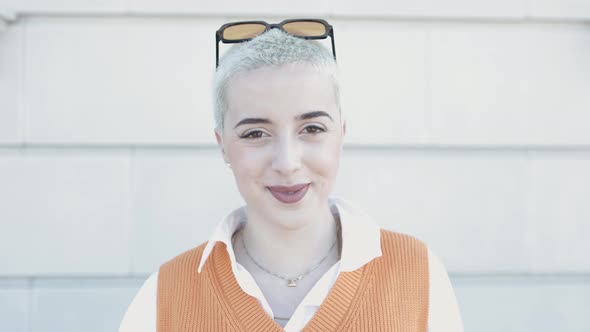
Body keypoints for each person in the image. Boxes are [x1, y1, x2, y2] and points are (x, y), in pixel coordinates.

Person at [120, 19, 463, 332]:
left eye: (312, 128)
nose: (287, 163)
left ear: (340, 134)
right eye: (255, 133)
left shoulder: (418, 277)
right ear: (223, 145)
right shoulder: (163, 299)